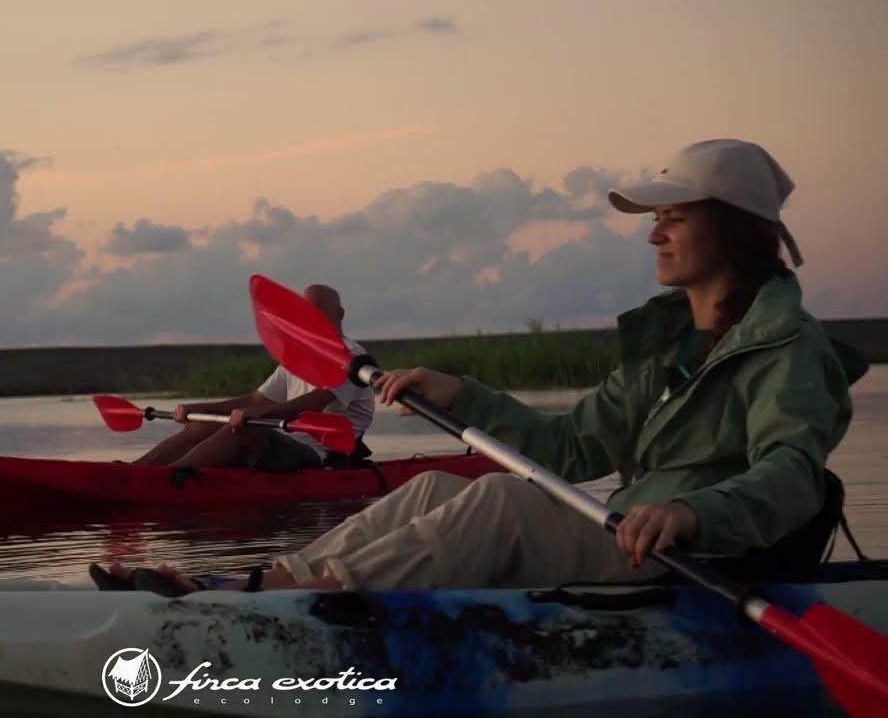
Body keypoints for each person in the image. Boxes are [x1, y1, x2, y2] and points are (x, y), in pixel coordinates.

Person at [92, 138, 862, 597]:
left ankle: (273, 596)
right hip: (638, 530)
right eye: (656, 218)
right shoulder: (667, 348)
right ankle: (265, 584)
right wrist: (462, 393)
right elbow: (571, 450)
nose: (654, 234)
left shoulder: (792, 352)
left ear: (728, 227)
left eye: (673, 216)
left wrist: (694, 514)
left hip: (697, 551)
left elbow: (790, 477)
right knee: (434, 486)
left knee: (500, 502)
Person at [131, 283, 376, 472]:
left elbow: (317, 400)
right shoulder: (298, 357)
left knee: (242, 430)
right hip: (282, 438)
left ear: (340, 314)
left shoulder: (352, 357)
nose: (310, 315)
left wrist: (262, 414)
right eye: (305, 310)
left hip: (321, 453)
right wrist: (203, 408)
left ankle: (171, 477)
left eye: (318, 309)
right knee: (205, 423)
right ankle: (136, 470)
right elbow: (257, 399)